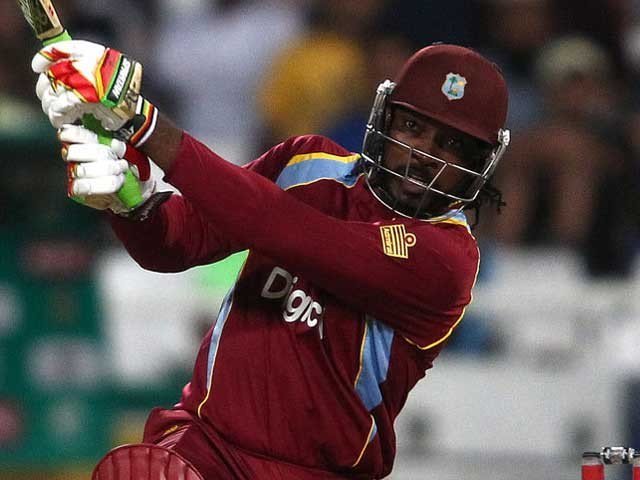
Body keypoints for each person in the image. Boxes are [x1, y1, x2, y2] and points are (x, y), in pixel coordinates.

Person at [31, 39, 509, 479]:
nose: (425, 154)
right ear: (385, 118)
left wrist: (141, 120)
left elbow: (280, 227)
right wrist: (130, 204)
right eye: (413, 127)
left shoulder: (447, 259)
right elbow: (177, 243)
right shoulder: (309, 165)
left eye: (452, 145)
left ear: (480, 165)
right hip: (205, 448)